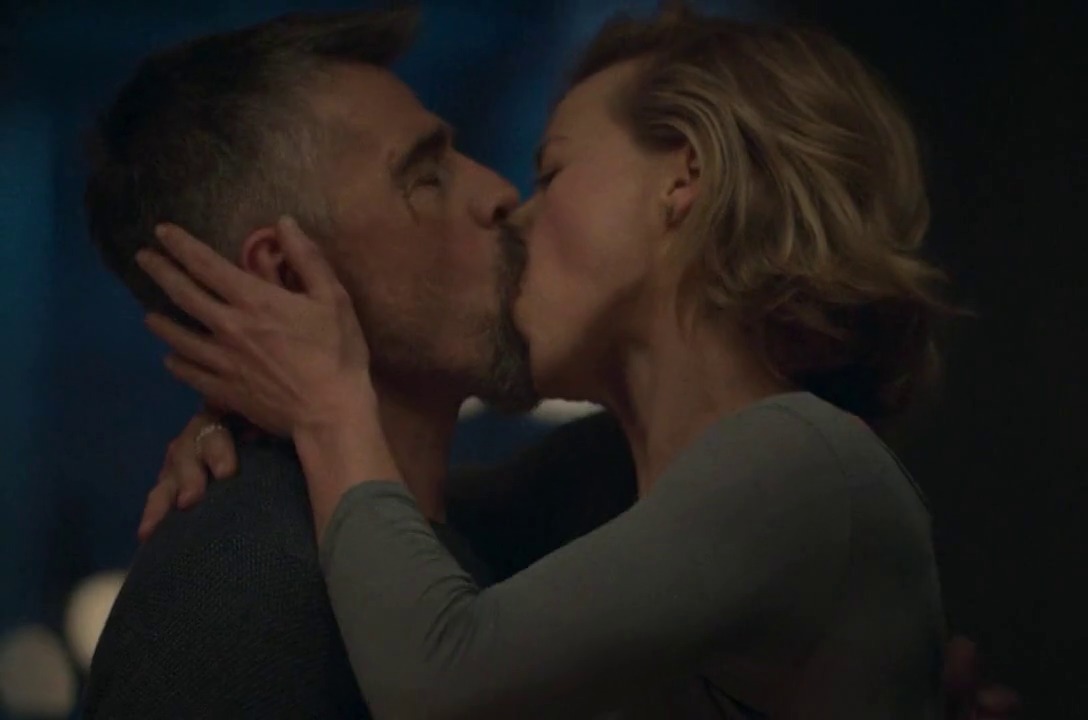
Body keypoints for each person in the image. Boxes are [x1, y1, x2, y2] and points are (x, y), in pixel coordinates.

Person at [135, 4, 982, 718]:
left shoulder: (791, 458)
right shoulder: (597, 487)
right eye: (427, 177)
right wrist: (251, 426)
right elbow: (421, 516)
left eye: (553, 170)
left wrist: (325, 408)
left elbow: (440, 673)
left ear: (684, 176)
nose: (513, 204)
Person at [80, 7, 536, 716]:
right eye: (426, 177)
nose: (500, 193)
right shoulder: (246, 587)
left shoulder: (460, 533)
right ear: (288, 280)